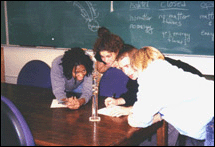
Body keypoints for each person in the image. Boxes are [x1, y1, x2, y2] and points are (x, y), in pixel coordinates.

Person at [127, 46, 214, 146]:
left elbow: (140, 119)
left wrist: (131, 118)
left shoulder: (149, 78)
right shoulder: (167, 69)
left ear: (137, 64)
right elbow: (172, 102)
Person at [93, 27, 138, 107]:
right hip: (111, 90)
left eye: (108, 56)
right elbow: (100, 68)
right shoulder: (104, 55)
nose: (105, 60)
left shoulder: (128, 56)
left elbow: (134, 92)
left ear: (117, 51)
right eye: (103, 57)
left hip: (125, 90)